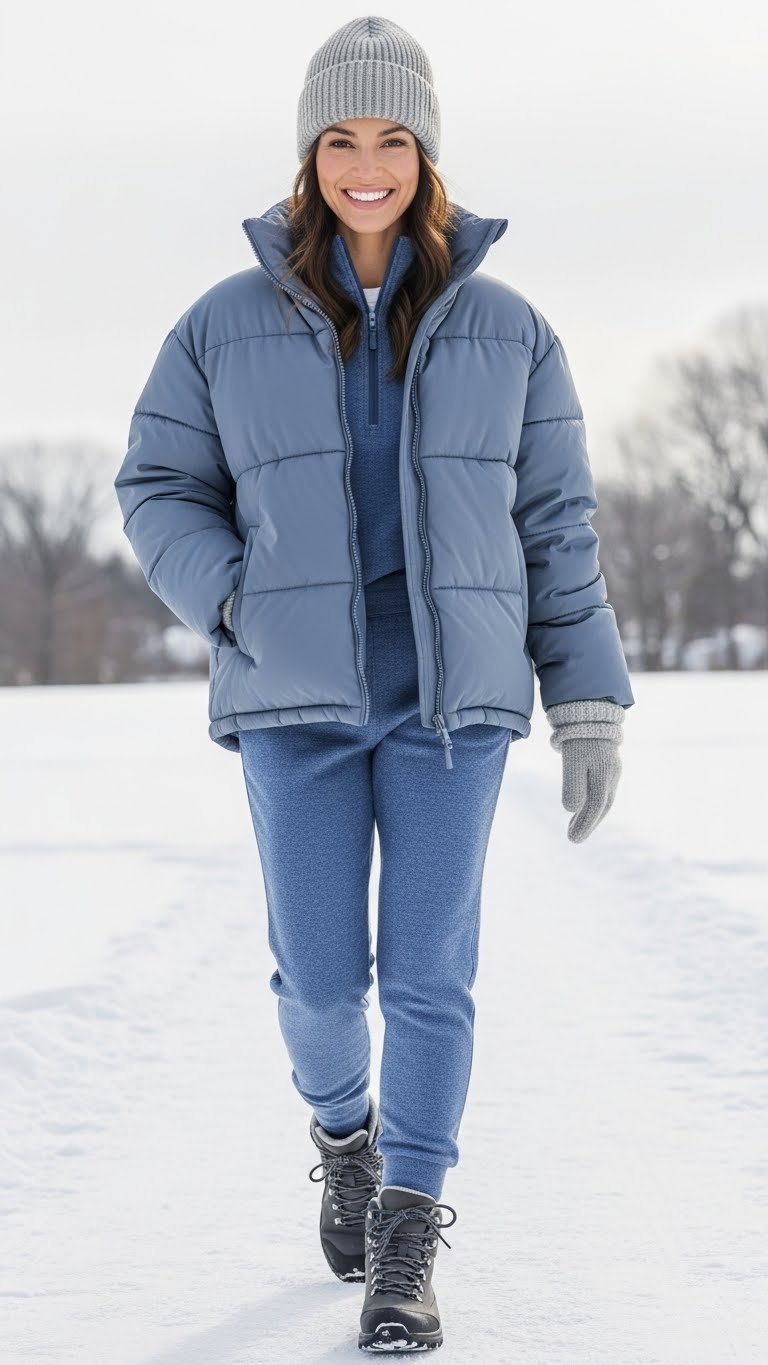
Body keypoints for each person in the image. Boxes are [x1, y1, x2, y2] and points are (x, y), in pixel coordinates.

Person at [114, 14, 635, 1353]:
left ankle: (407, 1227)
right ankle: (343, 1129)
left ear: (426, 155)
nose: (365, 163)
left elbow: (557, 526)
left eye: (390, 139)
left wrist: (585, 697)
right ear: (308, 155)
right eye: (340, 139)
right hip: (294, 702)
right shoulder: (220, 325)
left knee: (430, 973)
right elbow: (158, 486)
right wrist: (230, 594)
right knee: (320, 982)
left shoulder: (510, 331)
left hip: (451, 701)